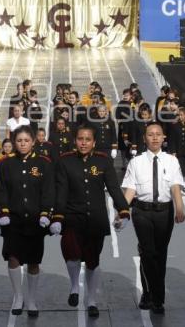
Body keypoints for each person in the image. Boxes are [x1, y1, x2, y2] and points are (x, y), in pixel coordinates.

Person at [50, 124, 130, 318]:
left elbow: (113, 187)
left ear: (94, 142)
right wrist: (57, 216)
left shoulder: (103, 161)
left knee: (93, 261)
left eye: (87, 139)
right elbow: (61, 192)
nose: (83, 143)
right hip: (72, 216)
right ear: (74, 140)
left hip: (96, 218)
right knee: (71, 253)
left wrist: (124, 211)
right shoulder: (64, 161)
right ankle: (74, 287)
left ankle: (92, 300)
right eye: (80, 139)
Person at [121, 122, 185, 314]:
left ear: (164, 138)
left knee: (160, 254)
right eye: (151, 134)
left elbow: (175, 186)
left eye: (158, 134)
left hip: (164, 212)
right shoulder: (136, 162)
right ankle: (154, 296)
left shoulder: (171, 161)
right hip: (142, 212)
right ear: (144, 138)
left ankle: (152, 293)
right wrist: (122, 212)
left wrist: (180, 208)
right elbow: (130, 190)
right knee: (148, 252)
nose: (155, 137)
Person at [0, 126, 54, 318]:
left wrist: (46, 213)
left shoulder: (44, 163)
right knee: (13, 258)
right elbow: (1, 190)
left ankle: (31, 299)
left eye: (26, 140)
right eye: (19, 140)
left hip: (36, 220)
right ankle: (18, 296)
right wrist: (3, 212)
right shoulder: (5, 164)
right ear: (13, 142)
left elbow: (48, 191)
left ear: (33, 142)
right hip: (13, 219)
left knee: (33, 261)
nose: (22, 144)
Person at [168, 107, 185, 194]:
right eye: (179, 115)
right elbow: (172, 140)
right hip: (178, 151)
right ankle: (178, 185)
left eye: (181, 115)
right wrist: (173, 151)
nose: (180, 117)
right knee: (178, 169)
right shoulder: (175, 125)